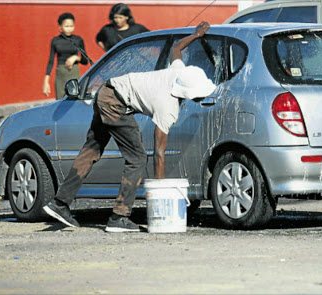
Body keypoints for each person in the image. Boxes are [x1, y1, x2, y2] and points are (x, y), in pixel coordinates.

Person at [44, 21, 215, 233]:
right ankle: (119, 216)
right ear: (190, 94)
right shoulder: (168, 106)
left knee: (92, 150)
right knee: (137, 158)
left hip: (106, 92)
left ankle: (60, 203)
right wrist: (160, 194)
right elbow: (159, 153)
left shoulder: (177, 71)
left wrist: (196, 34)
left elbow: (176, 48)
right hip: (116, 103)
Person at [43, 13, 89, 100]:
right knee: (60, 100)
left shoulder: (78, 40)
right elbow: (51, 61)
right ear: (60, 26)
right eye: (66, 26)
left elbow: (85, 61)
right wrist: (46, 82)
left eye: (71, 26)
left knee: (75, 100)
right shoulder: (55, 41)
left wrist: (75, 57)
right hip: (60, 73)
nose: (69, 29)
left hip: (74, 72)